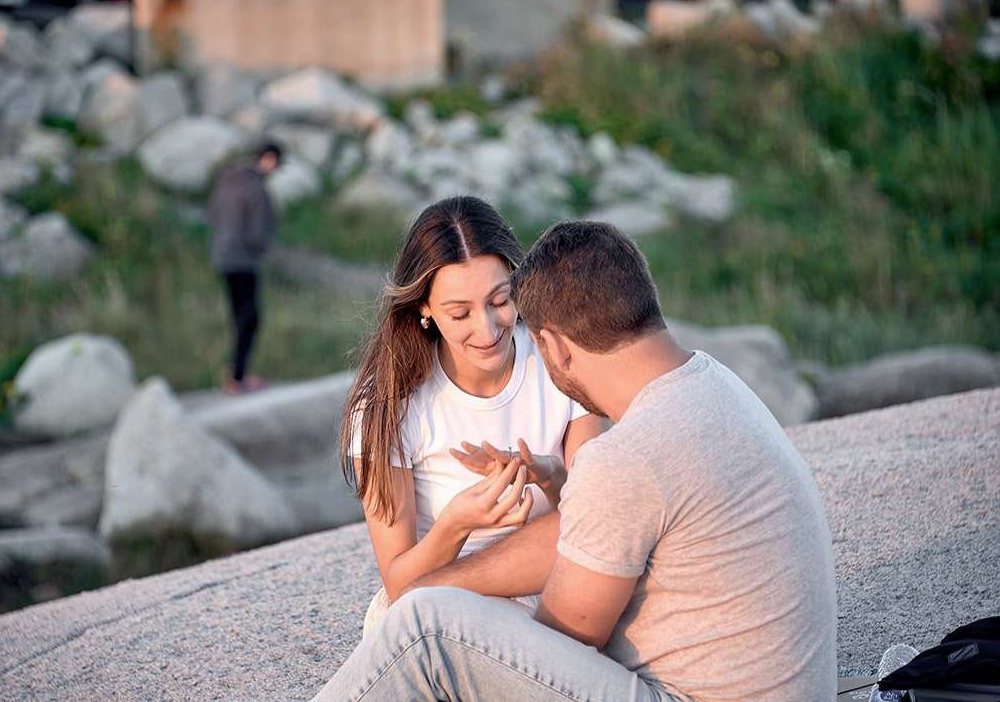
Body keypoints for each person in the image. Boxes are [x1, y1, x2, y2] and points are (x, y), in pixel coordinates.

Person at [315, 221, 837, 701]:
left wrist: (426, 599)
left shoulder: (629, 457)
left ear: (554, 348)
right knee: (416, 607)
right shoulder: (714, 383)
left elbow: (556, 645)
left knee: (424, 630)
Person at [338, 196, 606, 633]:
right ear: (424, 308)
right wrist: (457, 523)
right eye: (459, 313)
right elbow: (398, 583)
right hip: (443, 602)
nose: (487, 330)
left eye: (500, 300)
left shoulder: (559, 358)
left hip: (560, 585)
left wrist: (553, 477)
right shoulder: (386, 407)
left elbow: (602, 527)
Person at [208, 142, 282, 395]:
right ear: (269, 159)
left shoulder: (228, 180)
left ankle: (235, 374)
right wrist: (261, 249)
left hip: (223, 256)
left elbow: (213, 216)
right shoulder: (256, 187)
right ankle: (237, 378)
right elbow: (257, 231)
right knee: (249, 319)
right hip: (244, 259)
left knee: (240, 317)